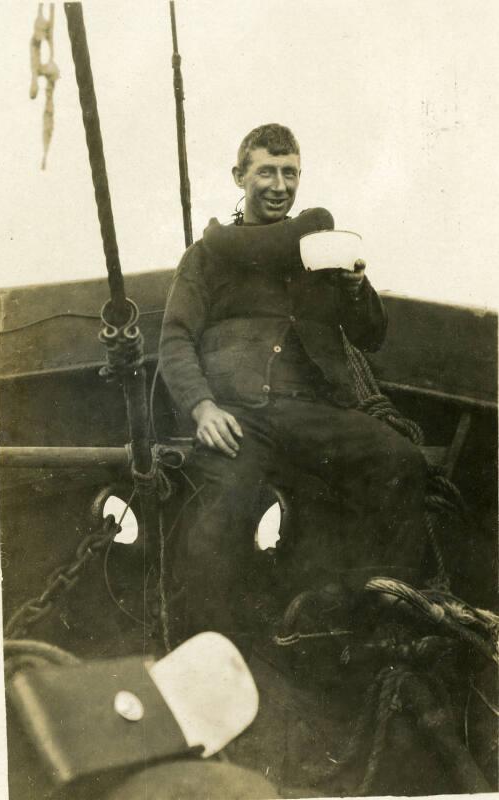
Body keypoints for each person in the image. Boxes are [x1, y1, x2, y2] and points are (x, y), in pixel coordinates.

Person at [159, 123, 427, 653]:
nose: (279, 185)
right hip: (240, 415)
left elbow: (372, 335)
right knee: (221, 508)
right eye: (265, 172)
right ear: (240, 176)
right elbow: (175, 338)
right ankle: (209, 646)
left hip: (313, 411)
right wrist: (203, 407)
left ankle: (379, 621)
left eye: (290, 173)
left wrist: (355, 290)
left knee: (402, 463)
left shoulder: (320, 252)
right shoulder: (205, 258)